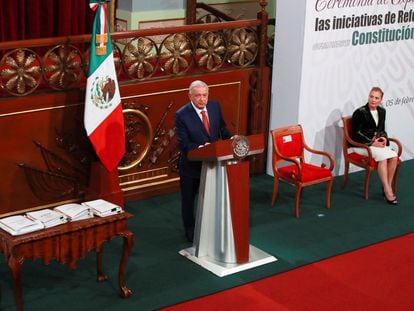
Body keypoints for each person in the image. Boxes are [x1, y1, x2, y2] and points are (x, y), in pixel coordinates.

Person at [174, 80, 232, 242]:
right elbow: (184, 144)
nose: (202, 99)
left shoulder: (214, 107)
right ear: (190, 96)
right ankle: (190, 230)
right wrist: (202, 147)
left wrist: (231, 138)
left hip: (213, 164)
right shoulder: (181, 115)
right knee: (189, 200)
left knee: (211, 197)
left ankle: (211, 227)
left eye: (204, 95)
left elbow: (222, 129)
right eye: (198, 96)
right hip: (191, 167)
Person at [351, 86, 399, 205]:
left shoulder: (382, 111)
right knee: (382, 159)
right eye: (371, 96)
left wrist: (383, 138)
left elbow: (381, 130)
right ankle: (388, 190)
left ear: (381, 100)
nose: (373, 100)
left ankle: (386, 186)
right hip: (362, 145)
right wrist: (372, 142)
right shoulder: (360, 112)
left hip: (376, 145)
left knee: (394, 157)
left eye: (376, 98)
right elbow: (354, 134)